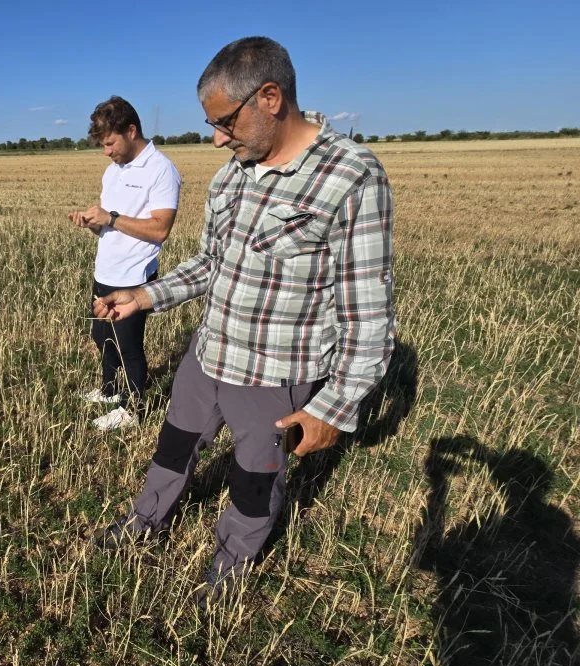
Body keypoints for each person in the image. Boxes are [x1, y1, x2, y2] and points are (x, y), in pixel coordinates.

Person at [92, 37, 396, 601]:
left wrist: (334, 407)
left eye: (225, 123)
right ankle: (144, 523)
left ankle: (229, 569)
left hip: (274, 377)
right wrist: (145, 296)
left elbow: (369, 318)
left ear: (271, 98)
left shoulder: (350, 178)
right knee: (174, 448)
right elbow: (211, 263)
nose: (217, 137)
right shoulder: (231, 175)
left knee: (255, 483)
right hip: (207, 356)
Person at [68, 96, 181, 431]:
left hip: (134, 276)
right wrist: (93, 224)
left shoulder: (161, 169)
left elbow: (160, 229)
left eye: (110, 143)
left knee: (128, 346)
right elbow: (108, 224)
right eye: (103, 145)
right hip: (106, 268)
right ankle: (108, 391)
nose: (107, 151)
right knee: (100, 334)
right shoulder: (112, 170)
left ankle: (133, 409)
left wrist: (111, 218)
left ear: (131, 131)